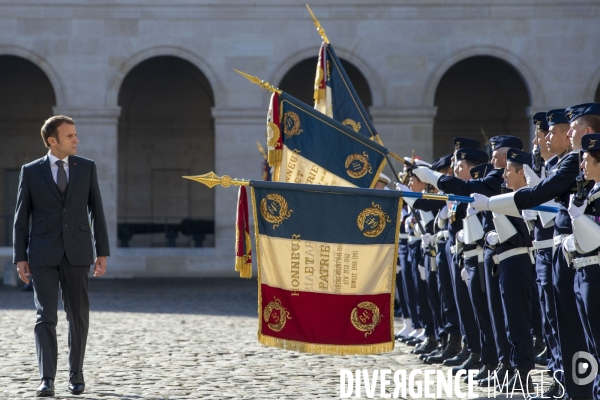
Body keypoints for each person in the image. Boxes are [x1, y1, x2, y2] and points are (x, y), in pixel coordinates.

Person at [470, 106, 597, 399]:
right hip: (562, 253)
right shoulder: (571, 164)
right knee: (557, 324)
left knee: (575, 327)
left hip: (576, 254)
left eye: (562, 130)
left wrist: (491, 204)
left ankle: (579, 389)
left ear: (582, 132)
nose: (546, 137)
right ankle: (567, 384)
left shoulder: (573, 164)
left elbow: (539, 197)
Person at [13, 115, 110, 397]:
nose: (76, 139)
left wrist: (101, 251)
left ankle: (76, 374)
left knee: (78, 315)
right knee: (45, 316)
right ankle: (47, 378)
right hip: (42, 254)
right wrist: (21, 257)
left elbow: (97, 211)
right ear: (52, 141)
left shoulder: (87, 168)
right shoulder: (30, 171)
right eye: (70, 136)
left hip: (78, 252)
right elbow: (21, 219)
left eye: (76, 135)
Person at [569, 133, 600, 400]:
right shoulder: (590, 191)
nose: (582, 165)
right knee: (591, 344)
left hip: (596, 272)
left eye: (587, 160)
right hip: (584, 270)